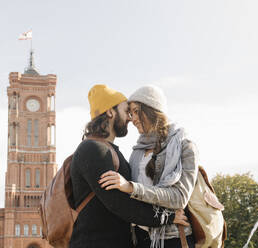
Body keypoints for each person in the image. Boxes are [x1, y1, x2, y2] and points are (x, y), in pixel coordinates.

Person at [69, 84, 188, 248]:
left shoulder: (111, 150)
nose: (131, 118)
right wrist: (167, 217)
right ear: (110, 112)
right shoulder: (92, 149)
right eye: (126, 111)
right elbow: (119, 203)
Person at [99, 85, 198, 248]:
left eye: (136, 111)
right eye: (130, 113)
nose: (133, 119)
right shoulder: (137, 152)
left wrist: (131, 187)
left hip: (171, 239)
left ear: (152, 109)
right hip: (140, 238)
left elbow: (179, 198)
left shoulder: (185, 146)